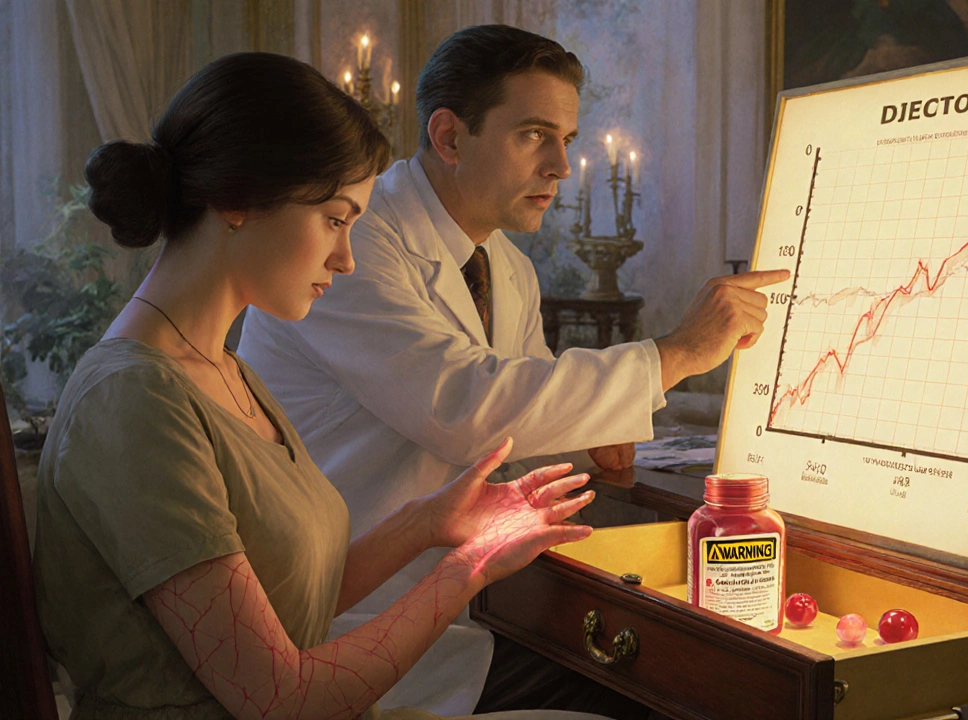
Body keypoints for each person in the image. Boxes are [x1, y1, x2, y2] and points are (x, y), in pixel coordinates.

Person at [236, 24, 789, 717]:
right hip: (348, 630)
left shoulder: (506, 267)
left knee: (684, 676)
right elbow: (468, 407)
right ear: (449, 137)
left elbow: (517, 423)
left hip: (464, 612)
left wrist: (585, 432)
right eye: (533, 134)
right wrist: (674, 354)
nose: (560, 164)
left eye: (568, 139)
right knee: (671, 694)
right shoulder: (350, 241)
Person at [33, 51, 604, 720]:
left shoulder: (223, 369)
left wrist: (431, 523)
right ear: (238, 200)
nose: (347, 256)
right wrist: (466, 570)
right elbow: (281, 698)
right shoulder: (134, 398)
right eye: (335, 220)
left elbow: (285, 596)